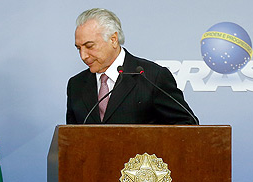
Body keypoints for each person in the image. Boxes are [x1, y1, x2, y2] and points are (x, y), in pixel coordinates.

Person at [66, 8, 198, 125]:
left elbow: (187, 125)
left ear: (113, 39)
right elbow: (72, 139)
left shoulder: (152, 77)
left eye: (89, 46)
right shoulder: (76, 84)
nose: (83, 56)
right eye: (79, 48)